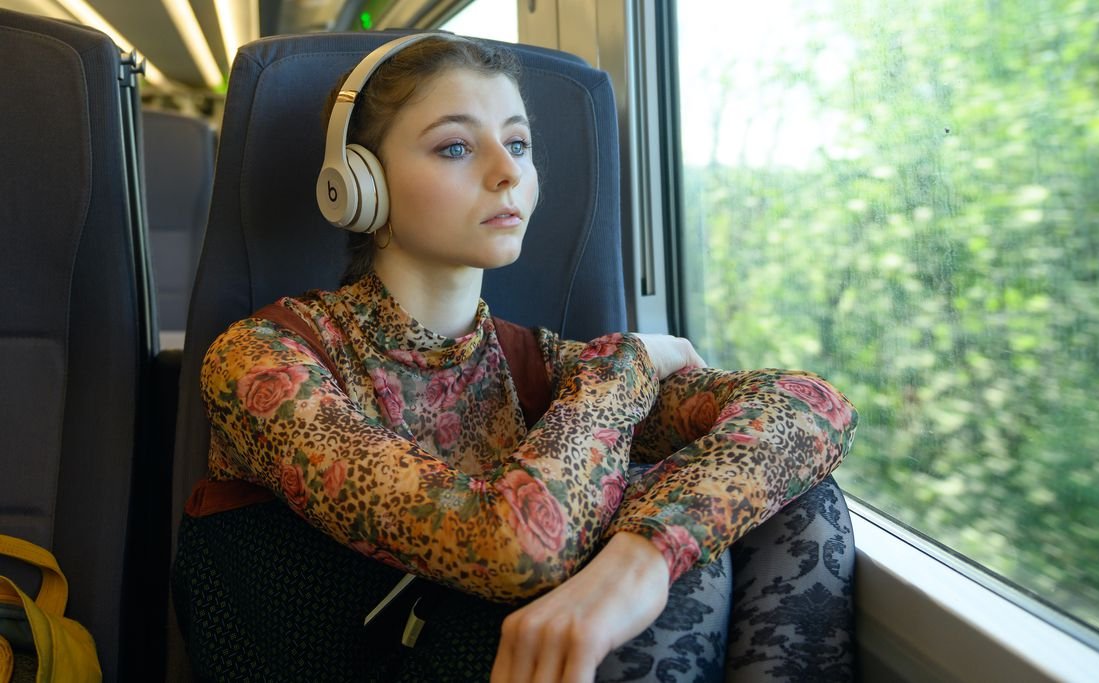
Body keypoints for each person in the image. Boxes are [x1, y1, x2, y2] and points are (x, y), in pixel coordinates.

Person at [184, 34, 857, 682]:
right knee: (690, 546)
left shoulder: (540, 366)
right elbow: (515, 547)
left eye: (518, 143)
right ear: (361, 184)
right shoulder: (263, 360)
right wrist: (628, 365)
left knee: (796, 503)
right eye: (454, 146)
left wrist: (646, 554)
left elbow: (814, 408)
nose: (507, 172)